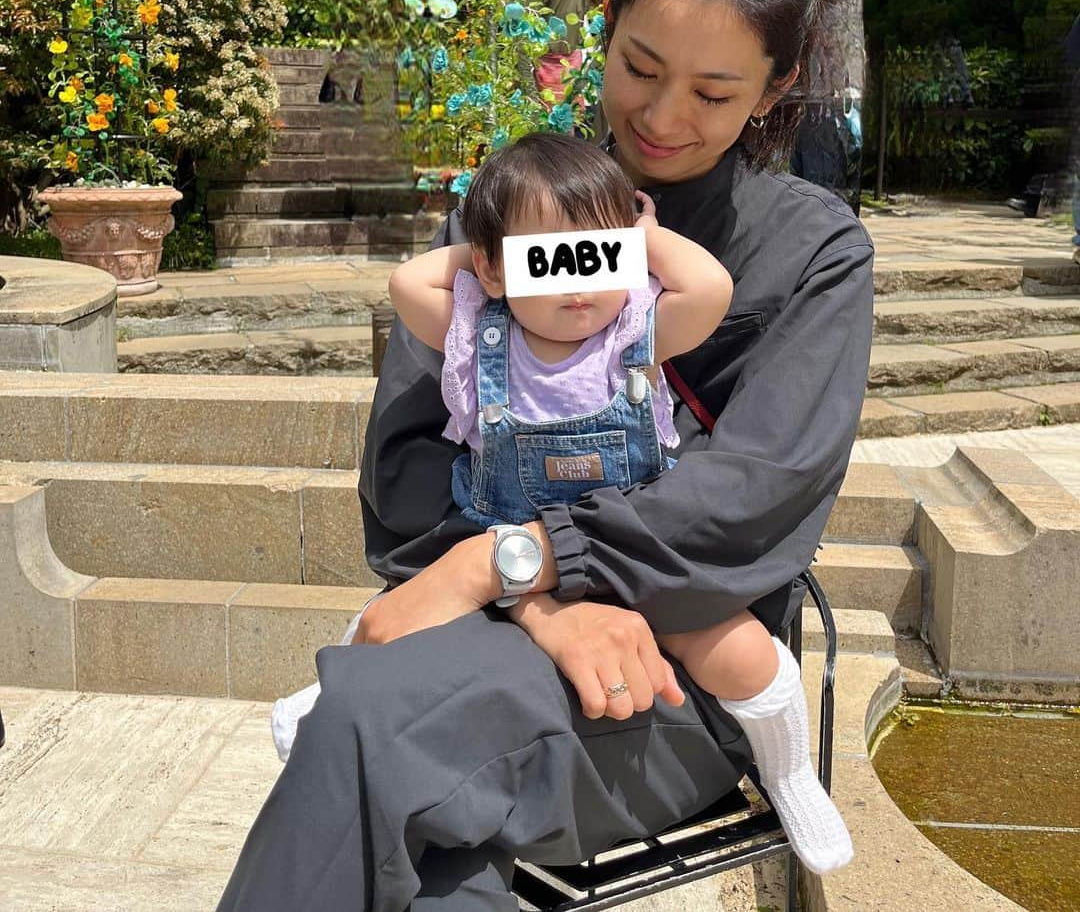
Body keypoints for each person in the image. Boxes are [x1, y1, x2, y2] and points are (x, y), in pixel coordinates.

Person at [215, 0, 874, 912]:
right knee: (431, 865)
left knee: (363, 724)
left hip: (682, 672)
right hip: (504, 633)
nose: (659, 118)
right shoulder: (504, 211)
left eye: (711, 91)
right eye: (640, 68)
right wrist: (541, 603)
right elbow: (408, 477)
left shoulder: (815, 254)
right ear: (602, 34)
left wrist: (515, 558)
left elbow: (750, 499)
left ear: (777, 87)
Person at [268, 132, 853, 874]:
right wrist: (488, 255)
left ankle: (791, 773)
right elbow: (406, 284)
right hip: (506, 548)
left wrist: (645, 240)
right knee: (397, 619)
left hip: (633, 555)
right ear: (496, 268)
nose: (579, 280)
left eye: (595, 252)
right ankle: (327, 704)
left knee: (748, 658)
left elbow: (710, 291)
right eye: (548, 257)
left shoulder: (634, 334)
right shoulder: (477, 341)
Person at [533, 0, 596, 105]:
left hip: (548, 60)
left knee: (547, 122)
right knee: (568, 116)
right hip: (572, 58)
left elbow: (529, 15)